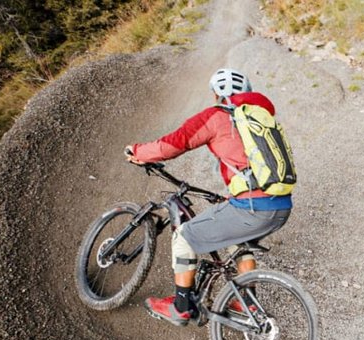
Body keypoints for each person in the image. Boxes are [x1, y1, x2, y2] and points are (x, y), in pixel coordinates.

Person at [125, 68, 292, 326]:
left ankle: (181, 307)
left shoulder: (217, 116)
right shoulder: (263, 119)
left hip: (253, 206)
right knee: (239, 241)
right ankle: (246, 302)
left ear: (217, 93)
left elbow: (174, 143)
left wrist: (138, 152)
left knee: (183, 237)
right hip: (280, 205)